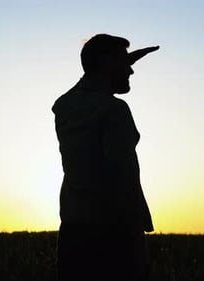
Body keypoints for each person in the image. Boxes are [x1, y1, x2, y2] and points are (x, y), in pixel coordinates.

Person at [52, 34, 159, 281]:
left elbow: (90, 79)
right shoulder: (114, 110)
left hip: (73, 230)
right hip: (114, 233)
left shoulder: (65, 106)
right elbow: (122, 176)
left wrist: (115, 64)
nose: (131, 70)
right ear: (107, 65)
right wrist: (135, 237)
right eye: (125, 64)